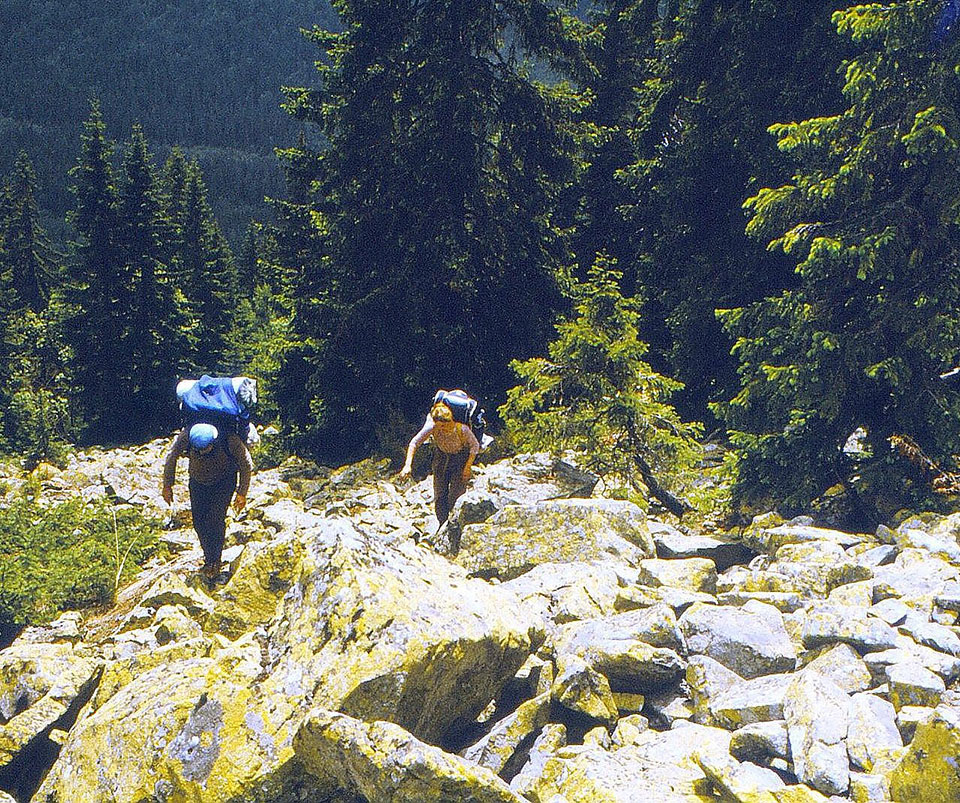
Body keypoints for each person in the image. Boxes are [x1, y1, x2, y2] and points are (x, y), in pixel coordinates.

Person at [162, 422, 253, 580]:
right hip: (198, 481)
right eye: (199, 451)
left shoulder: (229, 439)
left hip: (224, 481)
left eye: (206, 449)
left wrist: (242, 493)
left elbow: (246, 464)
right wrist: (167, 485)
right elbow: (172, 457)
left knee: (215, 520)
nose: (202, 453)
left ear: (214, 441)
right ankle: (208, 556)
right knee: (199, 522)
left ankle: (215, 561)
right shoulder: (187, 436)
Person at [399, 398, 480, 525]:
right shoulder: (433, 426)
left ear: (451, 420)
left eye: (445, 425)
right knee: (439, 494)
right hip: (441, 457)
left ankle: (454, 525)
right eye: (440, 426)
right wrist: (407, 465)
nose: (442, 429)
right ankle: (442, 525)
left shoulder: (462, 429)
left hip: (460, 458)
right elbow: (414, 443)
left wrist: (467, 467)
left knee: (456, 495)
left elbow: (475, 446)